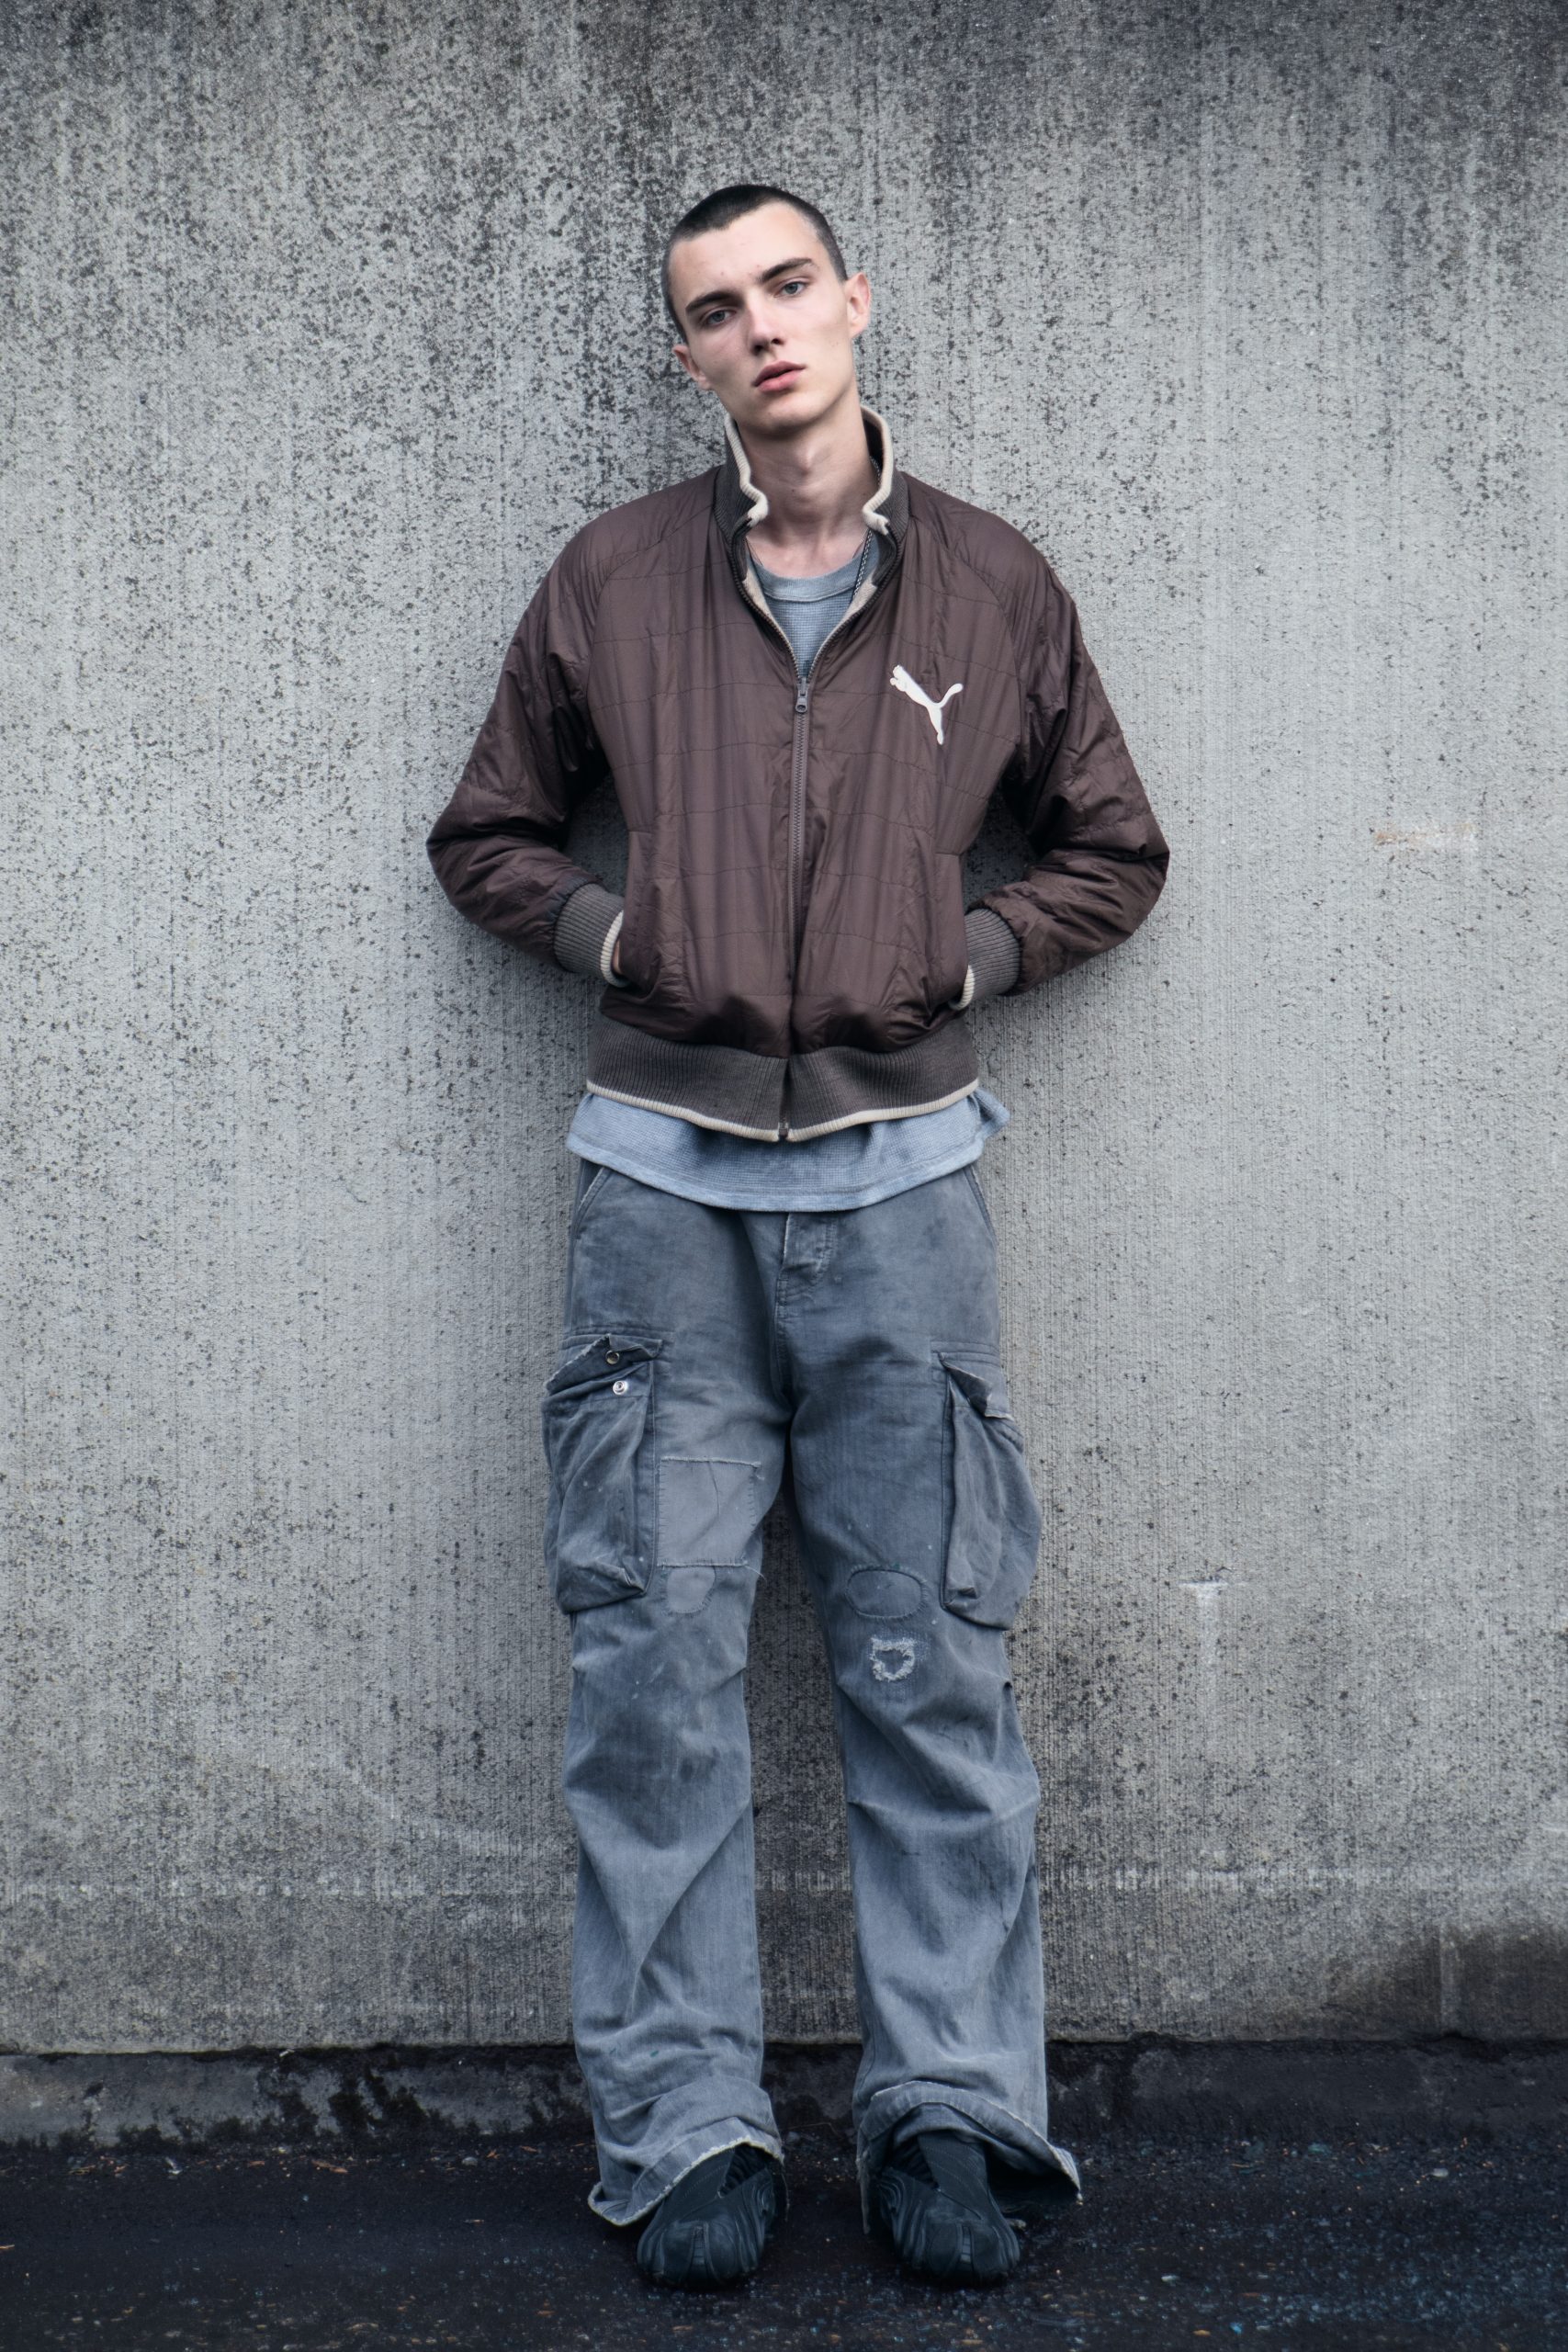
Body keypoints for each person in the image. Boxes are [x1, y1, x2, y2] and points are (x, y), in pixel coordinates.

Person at [428, 183, 1168, 2290]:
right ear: (683, 356)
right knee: (651, 1673)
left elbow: (1113, 847)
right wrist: (617, 933)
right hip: (656, 1200)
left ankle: (953, 2112)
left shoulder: (992, 583)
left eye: (783, 286)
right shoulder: (610, 579)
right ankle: (682, 2128)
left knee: (926, 1662)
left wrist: (965, 953)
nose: (758, 328)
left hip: (902, 1189)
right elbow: (485, 830)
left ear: (850, 300)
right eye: (712, 309)